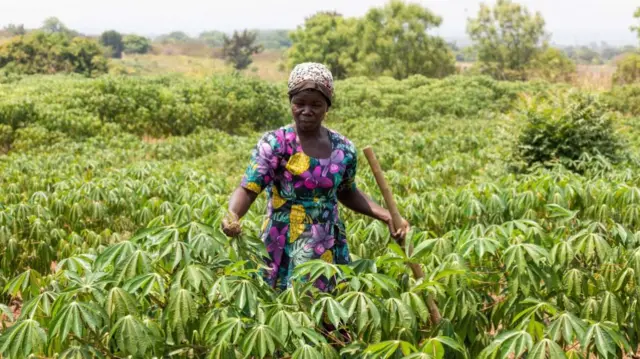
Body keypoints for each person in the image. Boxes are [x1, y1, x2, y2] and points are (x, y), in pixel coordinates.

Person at [222, 62, 410, 291]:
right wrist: (233, 215)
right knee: (284, 310)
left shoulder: (344, 149)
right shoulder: (275, 143)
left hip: (327, 244)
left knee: (326, 317)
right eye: (299, 103)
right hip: (282, 241)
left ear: (327, 107)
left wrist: (386, 215)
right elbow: (249, 188)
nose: (306, 110)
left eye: (316, 105)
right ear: (291, 103)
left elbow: (347, 191)